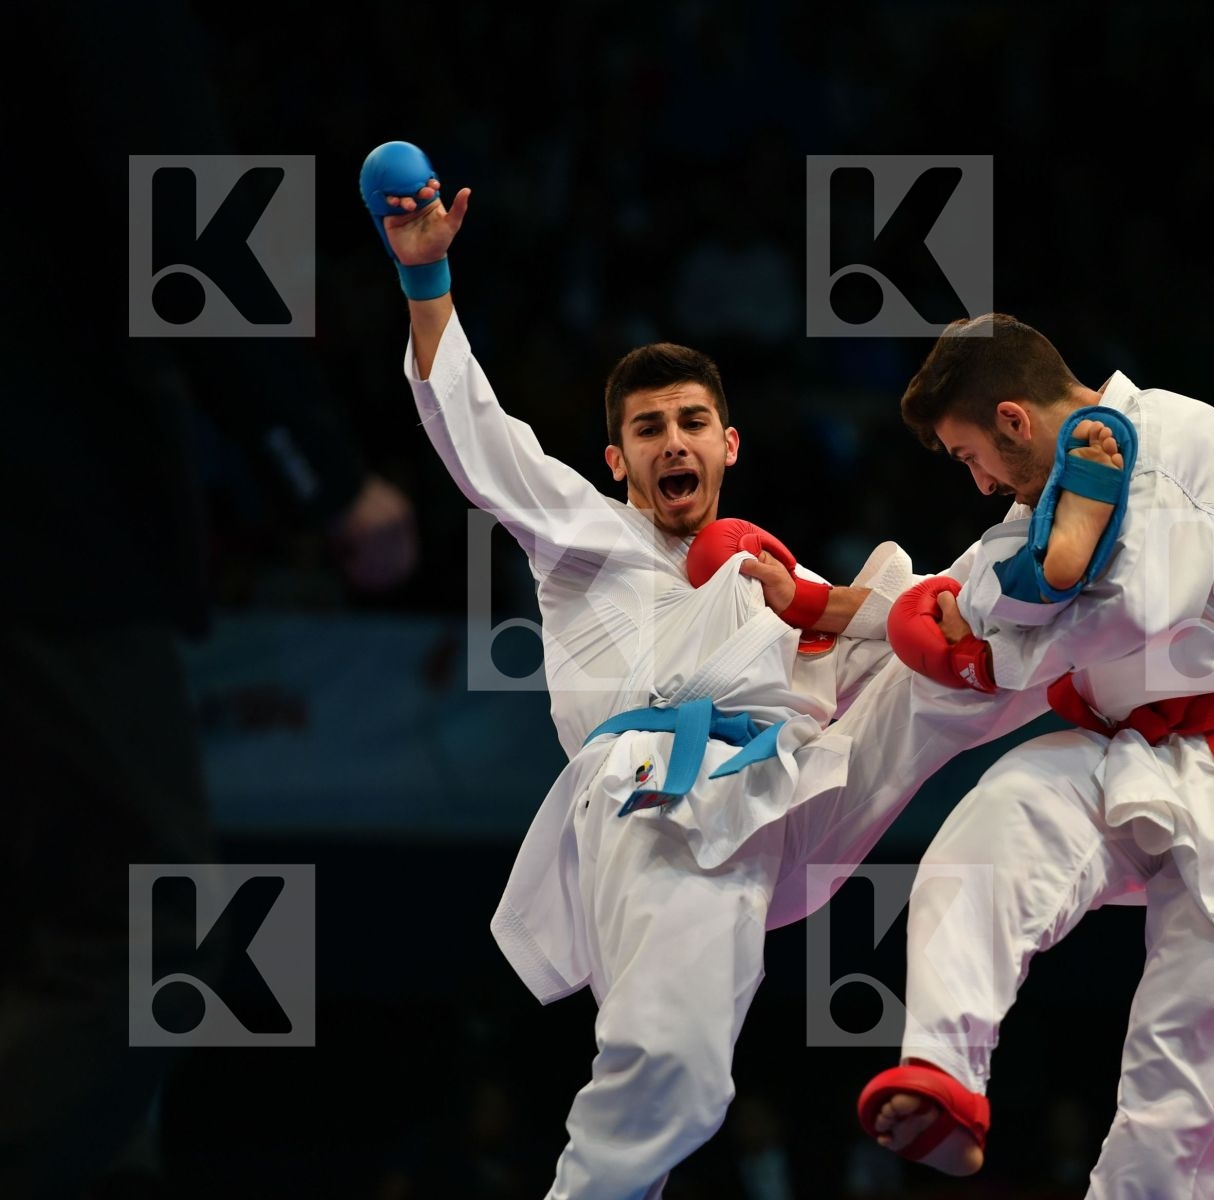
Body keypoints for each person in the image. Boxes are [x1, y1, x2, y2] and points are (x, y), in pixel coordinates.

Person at [362, 144, 1058, 1199]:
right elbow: (480, 439)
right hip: (659, 794)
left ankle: (1064, 554)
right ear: (616, 461)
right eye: (647, 430)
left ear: (729, 444)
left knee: (948, 643)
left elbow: (886, 629)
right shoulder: (583, 535)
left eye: (691, 423)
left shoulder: (770, 572)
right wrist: (425, 277)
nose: (672, 442)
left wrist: (941, 604)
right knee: (681, 1077)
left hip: (788, 786)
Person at [0, 8, 418, 1198]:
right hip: (44, 517)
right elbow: (194, 223)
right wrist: (323, 475)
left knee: (41, 937)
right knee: (141, 932)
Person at [858, 314, 1214, 1198]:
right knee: (994, 821)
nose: (980, 482)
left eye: (971, 457)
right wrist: (820, 605)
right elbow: (954, 593)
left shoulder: (1179, 436)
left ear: (1014, 420)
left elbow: (1144, 610)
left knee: (1173, 1087)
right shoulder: (1051, 496)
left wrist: (990, 657)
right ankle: (944, 1073)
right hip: (1129, 752)